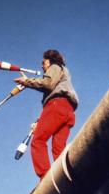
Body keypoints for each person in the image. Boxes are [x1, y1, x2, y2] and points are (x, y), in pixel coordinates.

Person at [14, 49, 79, 182]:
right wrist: (40, 119)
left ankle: (46, 178)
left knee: (38, 141)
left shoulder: (55, 67)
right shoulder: (63, 73)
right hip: (68, 111)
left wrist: (25, 81)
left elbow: (47, 85)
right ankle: (66, 179)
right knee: (58, 148)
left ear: (50, 61)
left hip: (56, 106)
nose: (42, 66)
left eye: (43, 62)